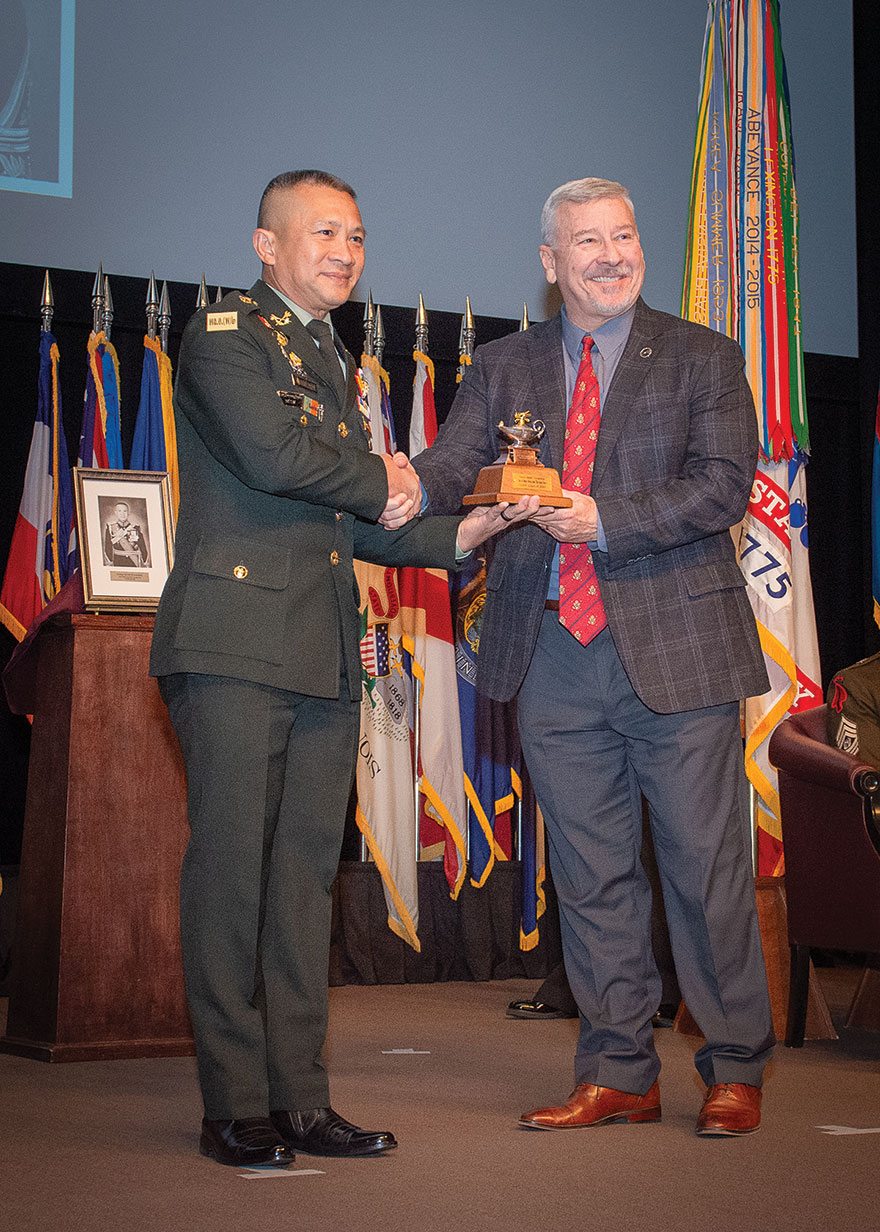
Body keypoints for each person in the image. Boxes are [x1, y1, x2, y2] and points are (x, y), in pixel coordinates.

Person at [150, 169, 534, 1168]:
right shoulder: (224, 337)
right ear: (265, 245)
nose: (345, 251)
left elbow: (355, 525)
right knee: (234, 876)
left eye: (357, 236)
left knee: (303, 884)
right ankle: (232, 1103)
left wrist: (463, 529)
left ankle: (300, 1099)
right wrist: (394, 484)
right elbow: (278, 459)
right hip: (235, 647)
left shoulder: (332, 358)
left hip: (322, 653)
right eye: (323, 232)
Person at [413, 177, 774, 1136]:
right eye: (588, 242)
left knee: (704, 869)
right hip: (552, 653)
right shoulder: (504, 363)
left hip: (679, 649)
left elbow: (722, 488)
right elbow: (456, 460)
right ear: (549, 263)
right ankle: (619, 1070)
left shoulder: (704, 355)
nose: (612, 255)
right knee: (590, 872)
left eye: (624, 237)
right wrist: (399, 484)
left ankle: (735, 1066)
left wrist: (600, 520)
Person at [102, 501, 150, 568]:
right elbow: (108, 547)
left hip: (134, 562)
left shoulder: (136, 528)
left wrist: (144, 561)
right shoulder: (111, 528)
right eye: (119, 511)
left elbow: (142, 546)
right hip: (118, 561)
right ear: (116, 513)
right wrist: (110, 561)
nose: (122, 514)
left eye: (125, 511)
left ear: (128, 513)